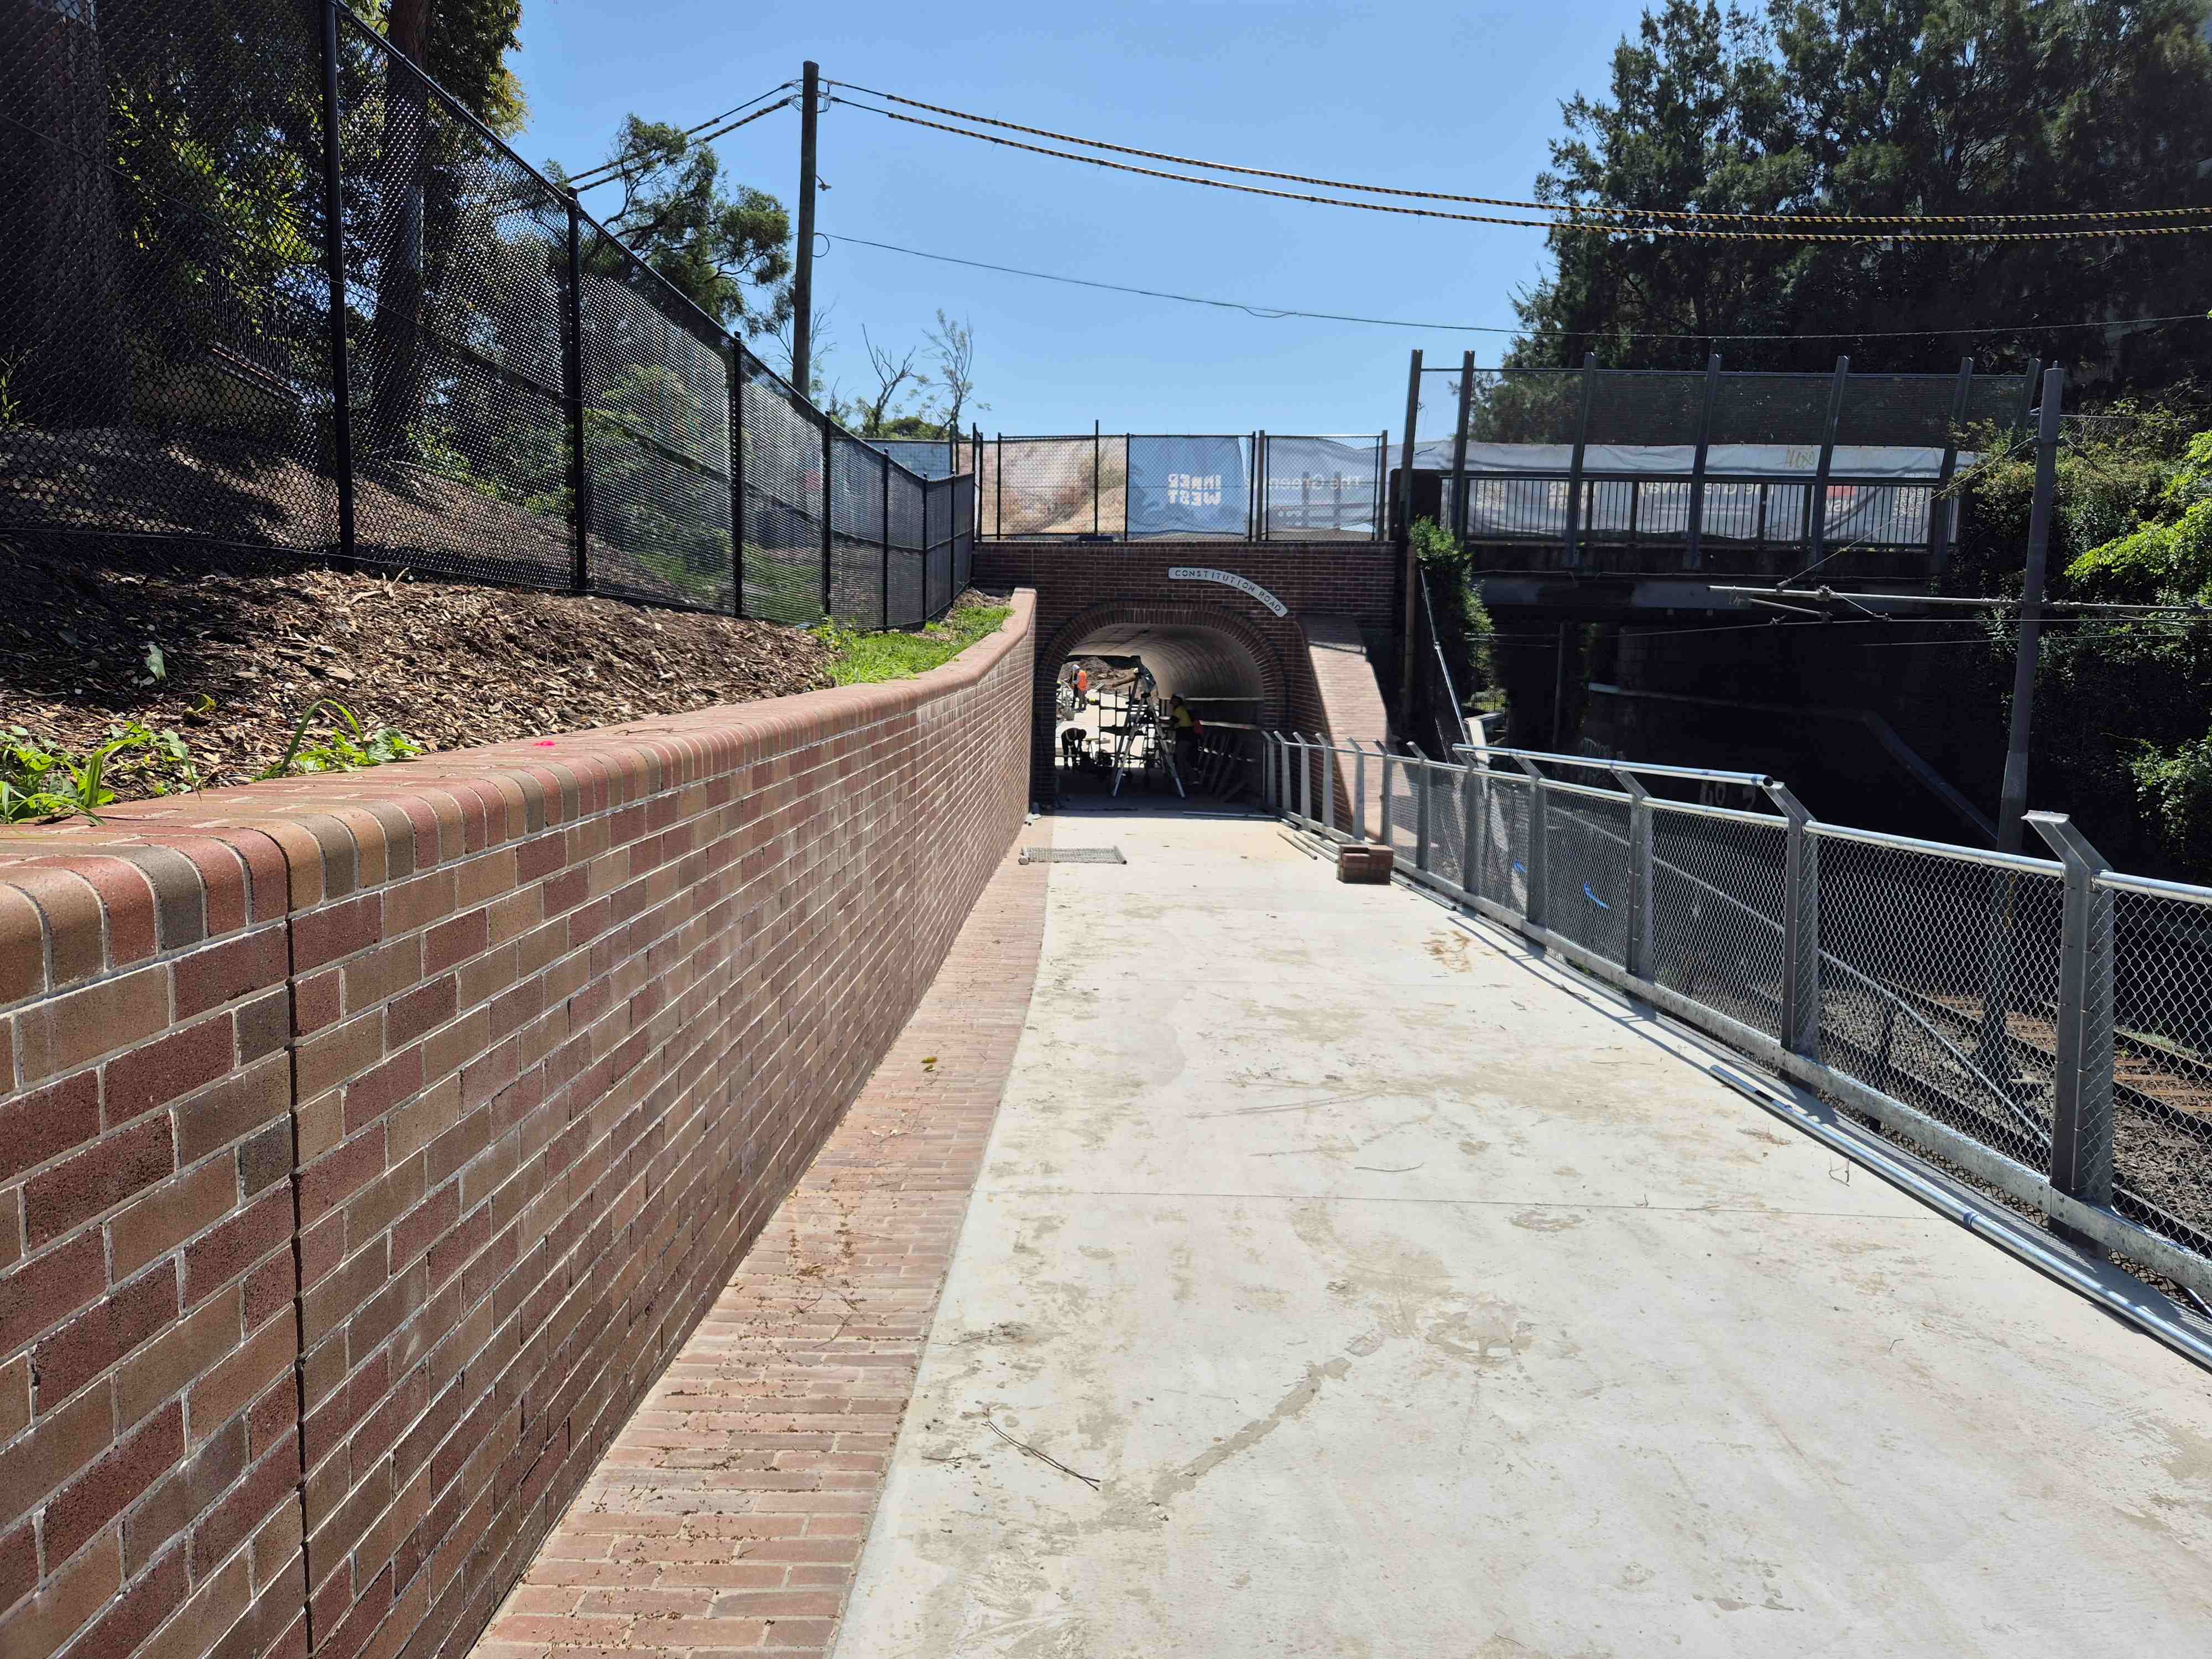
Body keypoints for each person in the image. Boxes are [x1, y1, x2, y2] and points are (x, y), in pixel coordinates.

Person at [1168, 694, 1201, 778]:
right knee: (1182, 758)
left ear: (1178, 700)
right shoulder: (1179, 709)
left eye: (1173, 698)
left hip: (1185, 736)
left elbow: (1172, 722)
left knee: (1180, 758)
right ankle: (1189, 776)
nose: (1171, 699)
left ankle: (1191, 776)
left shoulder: (1179, 709)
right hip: (1186, 736)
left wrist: (1158, 720)